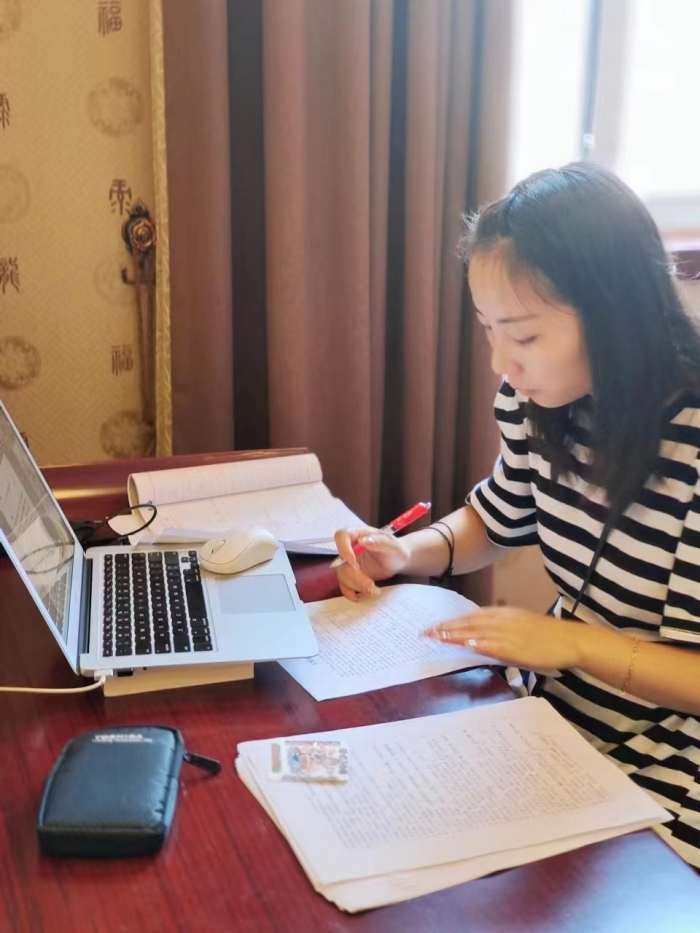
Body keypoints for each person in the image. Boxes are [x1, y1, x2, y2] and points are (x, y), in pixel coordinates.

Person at [334, 162, 700, 869]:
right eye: (488, 331)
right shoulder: (543, 403)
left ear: (615, 316)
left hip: (670, 761)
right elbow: (498, 517)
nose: (502, 363)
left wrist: (570, 644)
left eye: (524, 337)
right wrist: (407, 552)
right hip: (554, 720)